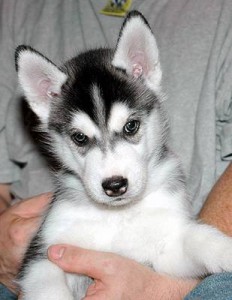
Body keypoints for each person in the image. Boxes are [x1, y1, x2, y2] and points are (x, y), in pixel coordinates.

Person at [1, 0, 232, 299]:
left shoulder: (166, 184)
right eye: (81, 140)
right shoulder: (16, 9)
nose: (113, 174)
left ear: (145, 72)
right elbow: (44, 264)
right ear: (45, 104)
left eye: (130, 128)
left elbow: (173, 252)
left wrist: (216, 249)